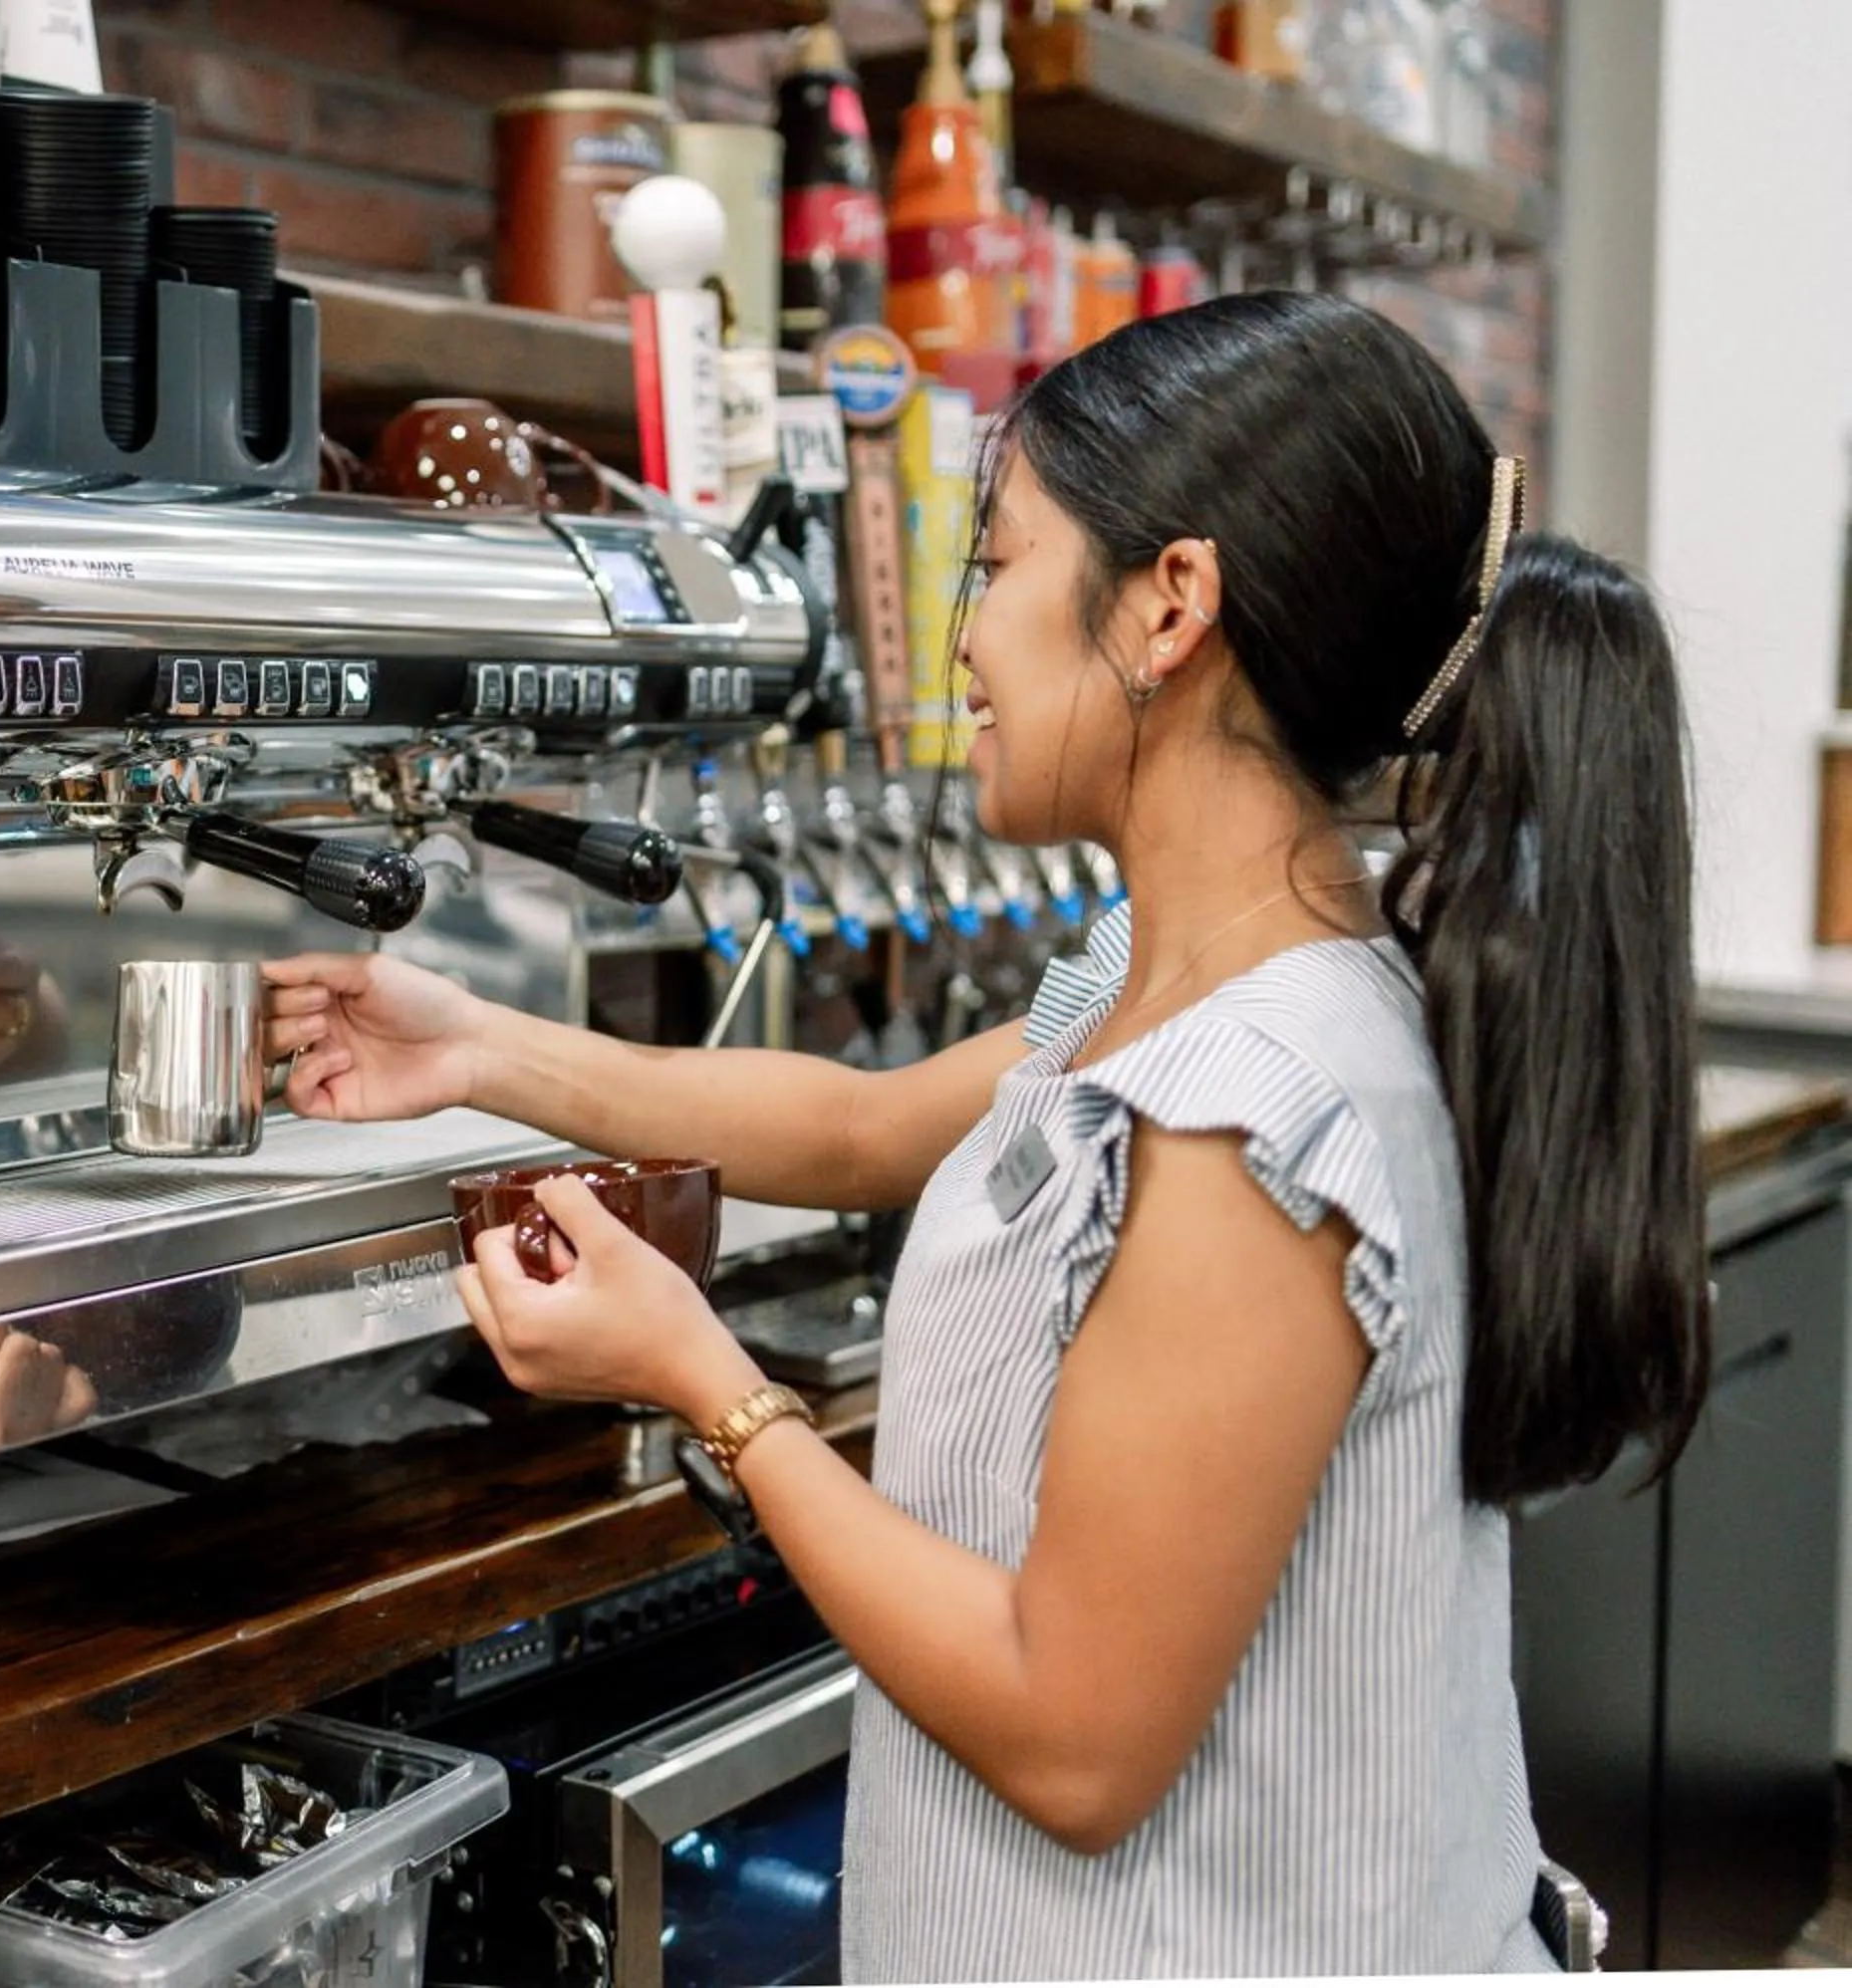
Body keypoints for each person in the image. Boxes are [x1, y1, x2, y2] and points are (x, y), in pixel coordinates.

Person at [263, 291, 1705, 1979]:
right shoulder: (1192, 984)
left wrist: (705, 1384)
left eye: (1000, 566)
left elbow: (1073, 1736)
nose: (963, 641)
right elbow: (866, 1126)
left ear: (1171, 606)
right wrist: (476, 1044)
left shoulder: (1262, 1104)